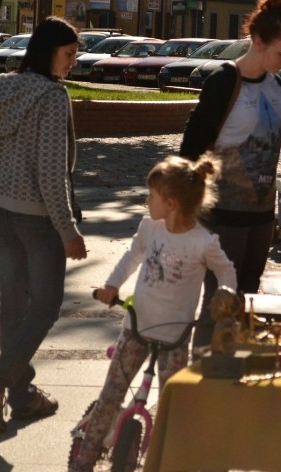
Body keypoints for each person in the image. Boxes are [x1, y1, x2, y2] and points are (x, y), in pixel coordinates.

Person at [69, 155, 236, 472]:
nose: (147, 201)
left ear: (170, 203)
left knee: (175, 404)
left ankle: (175, 459)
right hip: (137, 326)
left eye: (151, 197)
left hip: (175, 336)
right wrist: (111, 285)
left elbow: (226, 272)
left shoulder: (202, 243)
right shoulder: (150, 229)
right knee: (111, 394)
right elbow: (131, 258)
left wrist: (226, 296)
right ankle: (86, 456)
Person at [0, 16, 88, 433]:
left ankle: (20, 399)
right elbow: (52, 172)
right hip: (40, 219)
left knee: (14, 307)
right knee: (45, 306)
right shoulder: (52, 97)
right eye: (69, 54)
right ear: (48, 51)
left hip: (2, 212)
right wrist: (68, 229)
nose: (73, 62)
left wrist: (7, 161)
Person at [179, 0, 281, 349]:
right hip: (222, 217)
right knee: (219, 305)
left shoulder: (276, 86)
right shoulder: (224, 82)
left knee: (247, 304)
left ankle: (230, 382)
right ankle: (198, 382)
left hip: (260, 217)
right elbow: (191, 148)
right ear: (259, 41)